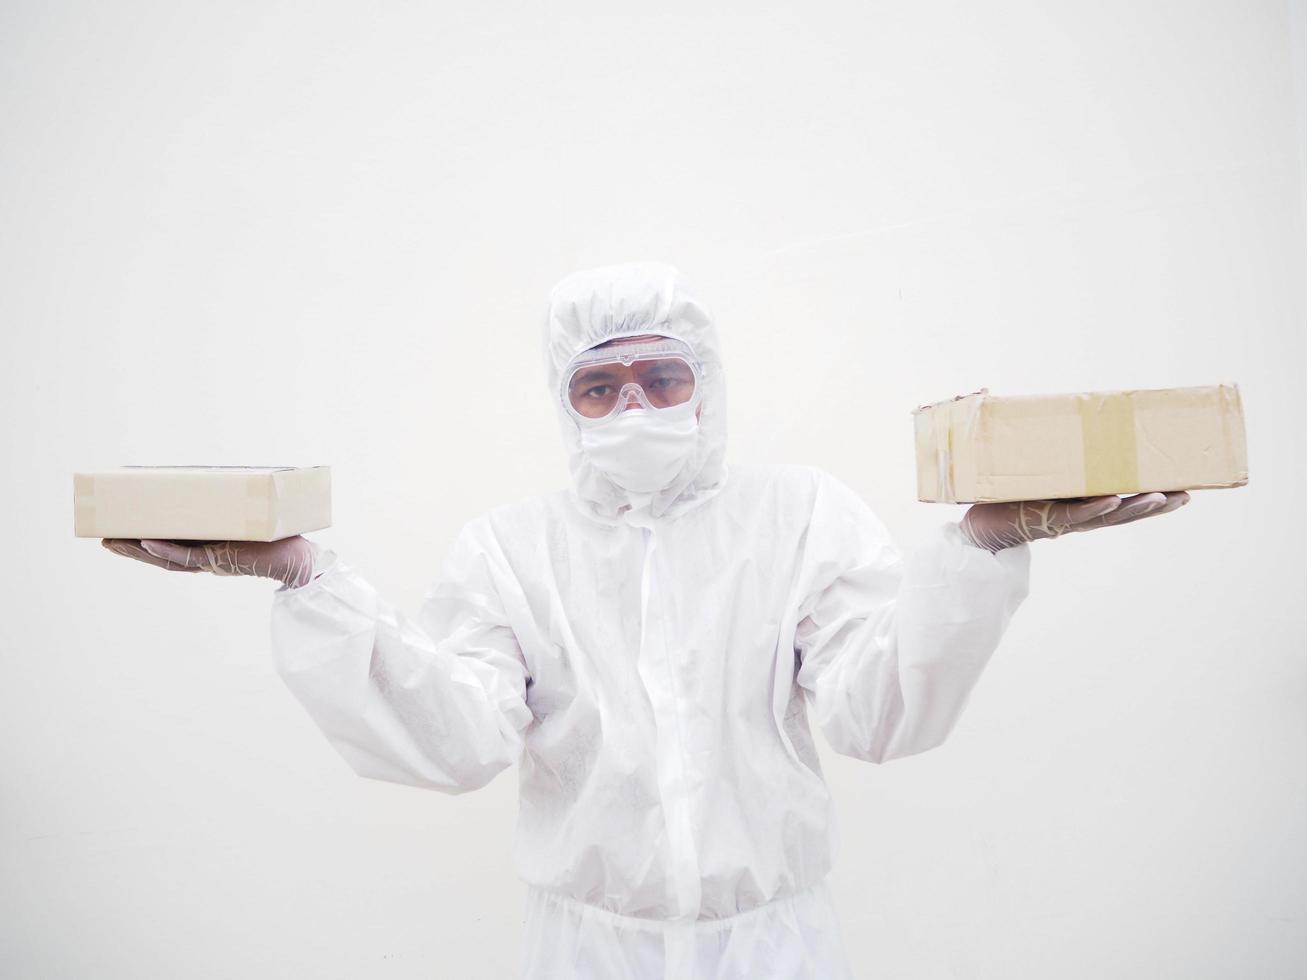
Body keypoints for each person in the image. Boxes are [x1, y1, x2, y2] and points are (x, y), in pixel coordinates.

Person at [103, 261, 1189, 978]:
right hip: (583, 949)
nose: (632, 407)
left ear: (704, 388)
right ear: (561, 403)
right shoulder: (509, 549)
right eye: (598, 385)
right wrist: (306, 578)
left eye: (660, 377)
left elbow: (875, 711)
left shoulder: (797, 516)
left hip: (774, 946)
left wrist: (979, 547)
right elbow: (455, 734)